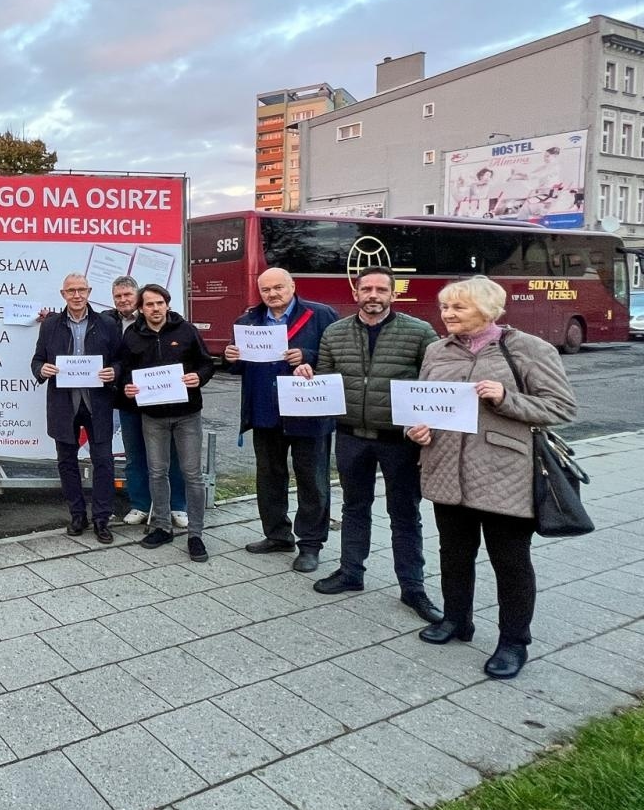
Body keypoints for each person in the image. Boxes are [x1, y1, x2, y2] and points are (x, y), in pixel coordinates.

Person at [406, 276, 577, 679]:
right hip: (445, 466)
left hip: (505, 472)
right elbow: (422, 402)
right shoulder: (436, 349)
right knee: (454, 553)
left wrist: (506, 398)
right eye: (445, 307)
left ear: (487, 309)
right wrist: (415, 429)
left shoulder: (528, 349)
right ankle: (456, 620)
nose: (447, 315)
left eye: (458, 308)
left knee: (511, 562)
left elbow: (562, 407)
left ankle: (513, 642)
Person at [297, 266, 443, 622]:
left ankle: (413, 588)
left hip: (399, 440)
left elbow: (434, 381)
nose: (373, 295)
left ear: (393, 295)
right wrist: (309, 375)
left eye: (381, 289)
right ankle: (351, 572)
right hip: (350, 435)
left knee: (404, 514)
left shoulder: (419, 332)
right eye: (367, 289)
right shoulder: (335, 332)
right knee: (353, 507)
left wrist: (429, 426)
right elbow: (328, 377)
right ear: (356, 293)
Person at [223, 267, 338, 572]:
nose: (272, 294)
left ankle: (310, 545)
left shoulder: (320, 315)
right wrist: (230, 358)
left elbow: (338, 356)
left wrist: (308, 356)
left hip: (308, 412)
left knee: (312, 481)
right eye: (266, 290)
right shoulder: (248, 321)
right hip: (264, 412)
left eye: (278, 288)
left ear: (292, 286)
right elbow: (238, 369)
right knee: (269, 478)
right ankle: (277, 535)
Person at [118, 284, 213, 556]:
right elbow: (125, 371)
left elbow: (206, 363)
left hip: (187, 415)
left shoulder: (186, 330)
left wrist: (200, 377)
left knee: (192, 475)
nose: (155, 308)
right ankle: (162, 526)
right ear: (141, 309)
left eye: (159, 303)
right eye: (149, 304)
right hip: (153, 416)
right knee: (156, 472)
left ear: (167, 304)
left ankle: (196, 534)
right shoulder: (132, 335)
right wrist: (127, 386)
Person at [30, 273, 122, 543]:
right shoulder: (50, 326)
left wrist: (114, 372)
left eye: (81, 289)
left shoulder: (106, 324)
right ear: (63, 294)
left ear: (89, 291)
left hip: (99, 404)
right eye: (71, 290)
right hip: (64, 404)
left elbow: (120, 360)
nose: (77, 295)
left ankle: (102, 519)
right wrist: (41, 369)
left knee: (103, 462)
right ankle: (77, 515)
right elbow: (37, 359)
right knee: (66, 462)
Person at [109, 276, 187, 531]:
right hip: (129, 400)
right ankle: (140, 505)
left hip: (163, 402)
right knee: (135, 456)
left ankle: (178, 506)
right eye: (118, 296)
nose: (123, 300)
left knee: (171, 456)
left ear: (139, 300)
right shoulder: (107, 320)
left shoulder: (158, 323)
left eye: (128, 296)